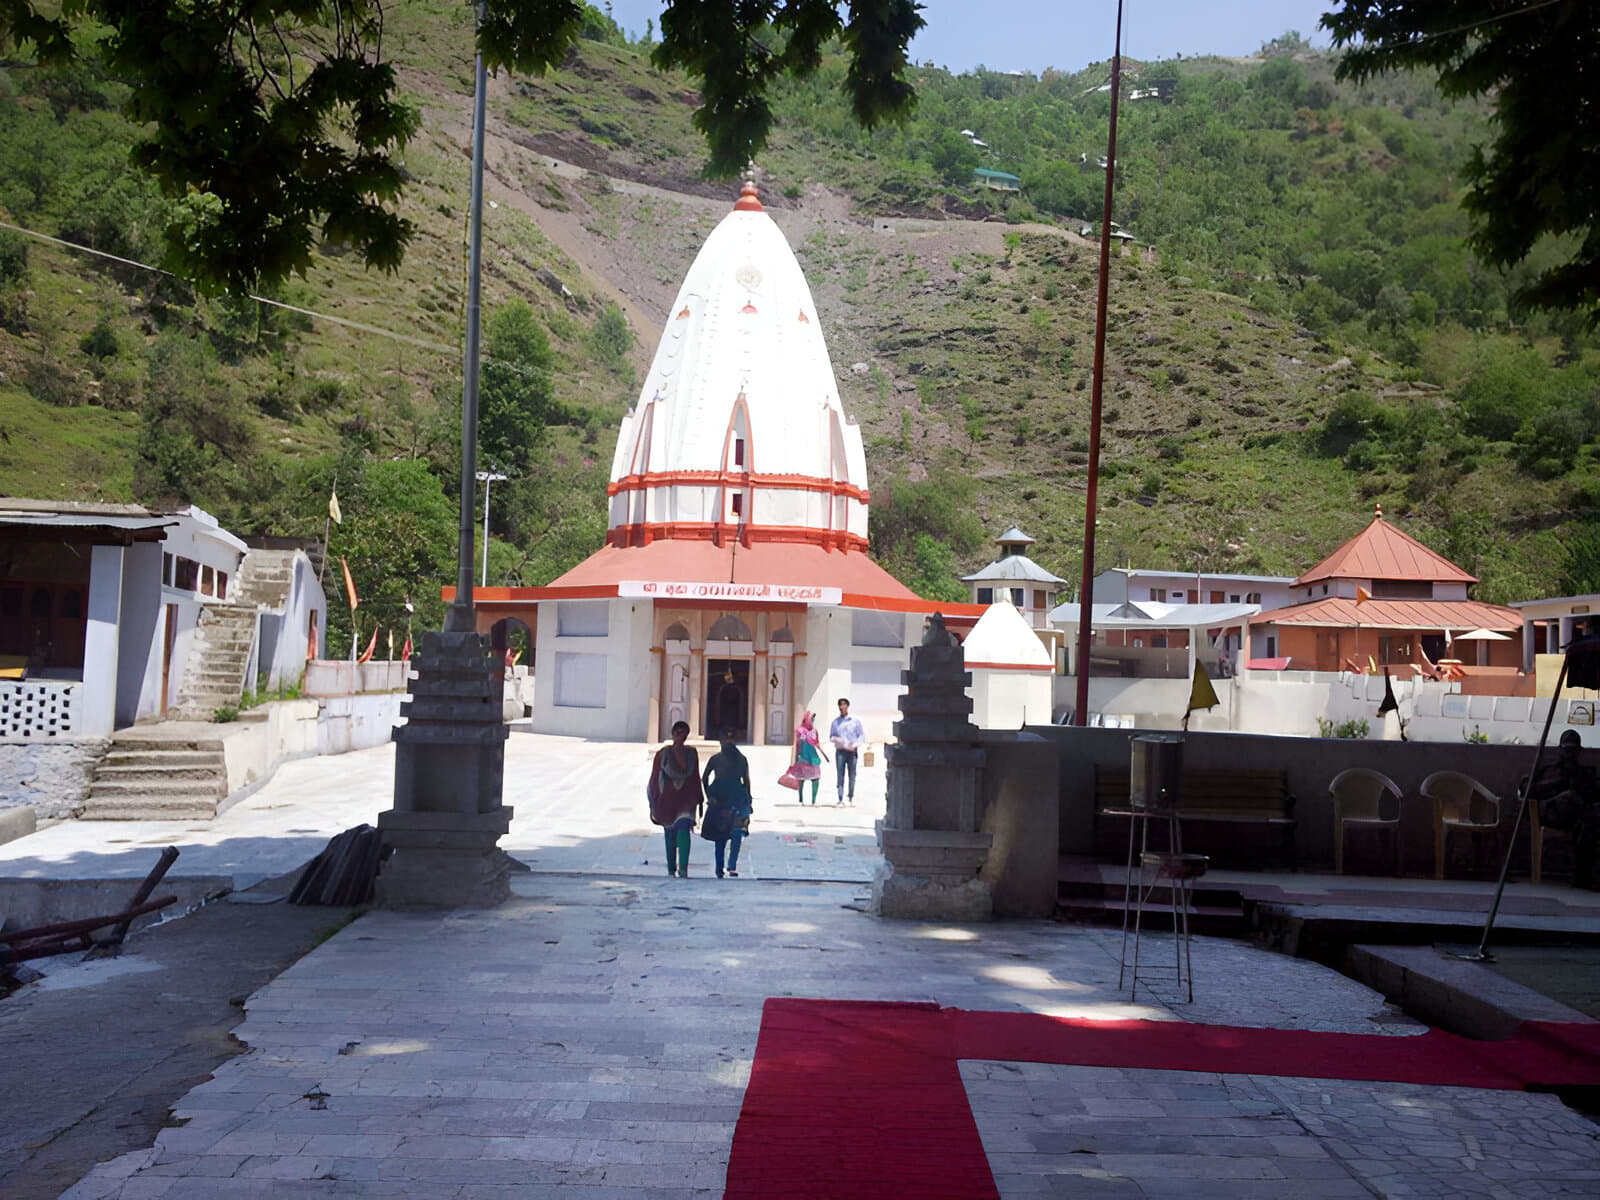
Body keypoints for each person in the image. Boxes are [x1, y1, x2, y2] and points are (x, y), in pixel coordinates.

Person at [1528, 729, 1599, 888]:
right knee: (1570, 797)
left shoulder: (1583, 772)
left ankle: (1583, 878)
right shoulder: (1549, 769)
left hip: (1577, 817)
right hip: (1551, 813)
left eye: (1573, 750)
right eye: (1567, 749)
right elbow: (1527, 790)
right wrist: (1557, 784)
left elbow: (1593, 794)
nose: (1569, 754)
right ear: (1560, 749)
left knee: (1586, 827)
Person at [647, 720, 702, 878]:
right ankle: (671, 869)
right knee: (670, 835)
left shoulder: (691, 754)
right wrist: (653, 801)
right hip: (667, 800)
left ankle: (683, 868)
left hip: (685, 800)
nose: (680, 737)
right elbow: (654, 779)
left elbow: (695, 777)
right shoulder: (662, 755)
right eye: (677, 733)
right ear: (672, 734)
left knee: (684, 830)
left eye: (683, 734)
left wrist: (698, 798)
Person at [702, 728, 754, 878]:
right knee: (721, 835)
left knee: (736, 833)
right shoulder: (716, 759)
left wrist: (748, 798)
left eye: (730, 739)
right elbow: (704, 777)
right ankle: (720, 867)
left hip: (736, 798)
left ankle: (731, 865)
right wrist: (709, 795)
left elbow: (746, 779)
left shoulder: (741, 759)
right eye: (726, 739)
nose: (728, 742)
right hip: (721, 798)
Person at [829, 697, 865, 806]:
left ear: (847, 706)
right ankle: (840, 798)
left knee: (852, 774)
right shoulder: (836, 722)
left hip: (852, 751)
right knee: (840, 774)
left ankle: (850, 797)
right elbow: (831, 736)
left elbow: (861, 736)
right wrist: (838, 741)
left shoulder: (855, 721)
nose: (842, 707)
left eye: (844, 704)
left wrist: (855, 745)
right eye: (840, 705)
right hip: (840, 751)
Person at [790, 710, 828, 805]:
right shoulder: (799, 730)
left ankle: (813, 800)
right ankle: (801, 800)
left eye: (813, 719)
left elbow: (817, 743)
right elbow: (795, 744)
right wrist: (793, 759)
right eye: (811, 719)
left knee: (816, 778)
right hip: (802, 757)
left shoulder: (814, 731)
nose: (812, 721)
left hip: (813, 757)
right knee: (801, 779)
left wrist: (824, 755)